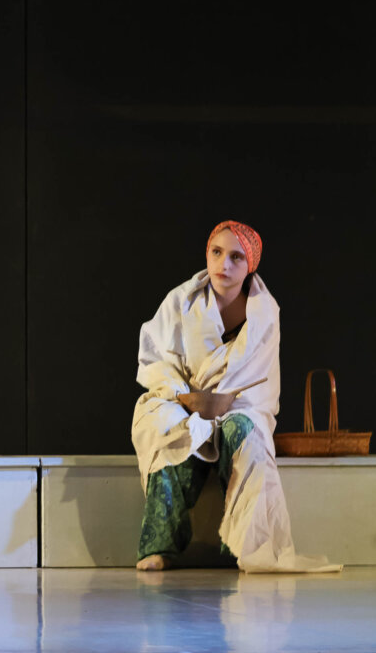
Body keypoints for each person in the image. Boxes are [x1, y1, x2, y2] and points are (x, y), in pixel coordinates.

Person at [131, 220, 340, 573]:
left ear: (250, 265)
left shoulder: (264, 313)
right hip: (182, 398)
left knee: (244, 434)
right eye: (216, 252)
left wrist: (224, 401)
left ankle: (244, 545)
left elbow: (260, 381)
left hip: (241, 404)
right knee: (162, 426)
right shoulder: (181, 301)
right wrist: (184, 396)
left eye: (235, 257)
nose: (223, 264)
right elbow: (156, 360)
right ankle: (160, 545)